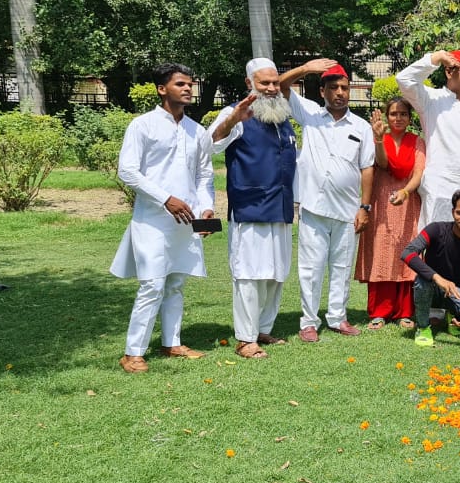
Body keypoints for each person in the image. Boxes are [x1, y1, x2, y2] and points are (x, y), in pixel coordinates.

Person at [111, 63, 215, 373]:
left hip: (186, 221)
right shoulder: (142, 125)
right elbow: (127, 170)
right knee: (152, 284)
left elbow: (204, 174)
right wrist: (165, 198)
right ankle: (133, 352)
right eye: (180, 84)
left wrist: (206, 207)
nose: (187, 89)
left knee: (176, 282)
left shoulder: (197, 131)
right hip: (152, 219)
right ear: (161, 89)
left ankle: (172, 343)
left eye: (190, 84)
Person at [278, 58, 373, 343]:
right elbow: (281, 86)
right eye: (334, 87)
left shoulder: (361, 126)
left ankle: (337, 317)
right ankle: (308, 321)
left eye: (344, 87)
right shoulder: (309, 114)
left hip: (347, 210)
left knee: (342, 268)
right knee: (311, 268)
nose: (340, 93)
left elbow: (367, 168)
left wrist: (364, 207)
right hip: (313, 208)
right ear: (322, 92)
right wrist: (307, 68)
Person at [209, 57, 296, 359]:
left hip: (281, 208)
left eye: (275, 83)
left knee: (276, 273)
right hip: (250, 208)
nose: (272, 88)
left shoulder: (282, 116)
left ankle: (263, 329)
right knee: (249, 274)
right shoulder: (235, 113)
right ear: (249, 84)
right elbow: (209, 145)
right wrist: (233, 120)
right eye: (264, 83)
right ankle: (245, 339)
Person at [396, 49, 460, 236]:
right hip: (440, 190)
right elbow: (404, 79)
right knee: (437, 249)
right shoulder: (430, 99)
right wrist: (434, 58)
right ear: (448, 72)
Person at [356, 97, 426, 330]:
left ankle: (405, 312)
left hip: (407, 202)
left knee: (405, 252)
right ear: (387, 116)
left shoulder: (417, 142)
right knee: (381, 252)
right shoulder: (378, 139)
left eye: (403, 114)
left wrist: (406, 192)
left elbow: (418, 173)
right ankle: (379, 312)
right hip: (381, 202)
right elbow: (383, 164)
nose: (398, 118)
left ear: (409, 117)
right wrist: (378, 139)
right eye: (393, 114)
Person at [401, 190, 460, 347]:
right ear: (453, 212)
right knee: (422, 281)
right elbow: (407, 253)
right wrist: (438, 278)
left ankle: (454, 314)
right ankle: (423, 327)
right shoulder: (435, 229)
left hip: (455, 290)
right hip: (429, 285)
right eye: (459, 212)